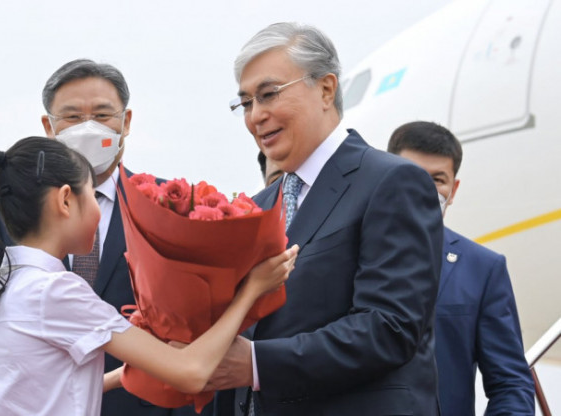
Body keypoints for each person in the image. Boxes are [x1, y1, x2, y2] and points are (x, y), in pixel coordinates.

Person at [0, 136, 298, 415]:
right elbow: (190, 373)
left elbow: (44, 386)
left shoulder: (5, 285)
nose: (100, 209)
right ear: (66, 201)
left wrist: (127, 373)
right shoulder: (55, 291)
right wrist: (252, 290)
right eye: (93, 194)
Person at [210, 22, 444, 415]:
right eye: (246, 103)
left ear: (326, 89)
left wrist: (256, 364)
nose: (256, 116)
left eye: (268, 95)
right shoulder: (256, 207)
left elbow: (389, 327)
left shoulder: (391, 181)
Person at [0, 59, 213, 416]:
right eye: (73, 117)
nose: (88, 128)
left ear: (126, 121)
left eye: (102, 115)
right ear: (48, 126)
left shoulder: (169, 205)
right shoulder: (6, 209)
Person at [388, 121, 535, 415]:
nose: (425, 189)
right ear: (386, 178)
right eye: (412, 174)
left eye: (437, 179)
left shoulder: (483, 268)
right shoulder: (346, 253)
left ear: (453, 190)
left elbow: (510, 384)